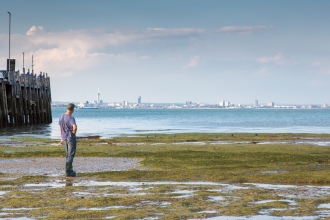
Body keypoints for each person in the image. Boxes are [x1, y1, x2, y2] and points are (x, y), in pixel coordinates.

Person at [59, 103, 77, 177]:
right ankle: (68, 171)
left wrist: (61, 138)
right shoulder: (71, 117)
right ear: (72, 109)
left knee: (67, 155)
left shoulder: (62, 116)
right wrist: (74, 132)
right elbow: (74, 127)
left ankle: (70, 169)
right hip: (70, 137)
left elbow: (60, 127)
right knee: (71, 154)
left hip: (64, 137)